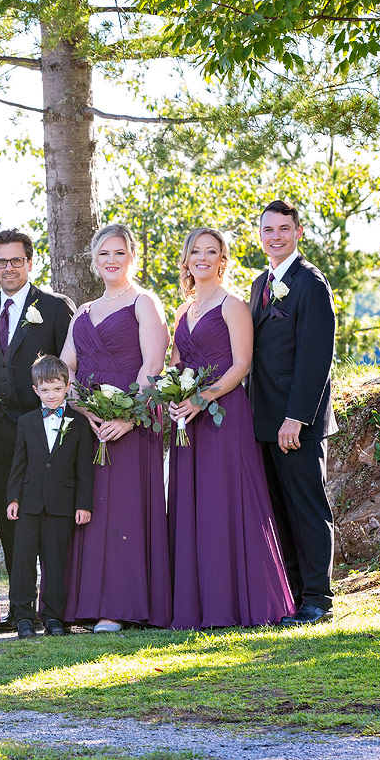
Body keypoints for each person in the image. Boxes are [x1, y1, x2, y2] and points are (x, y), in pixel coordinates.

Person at [167, 228, 295, 629]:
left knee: (226, 502)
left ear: (222, 260)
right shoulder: (182, 311)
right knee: (195, 504)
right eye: (195, 252)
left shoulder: (233, 305)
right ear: (186, 259)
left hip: (225, 415)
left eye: (212, 251)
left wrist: (204, 398)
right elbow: (176, 363)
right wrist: (173, 392)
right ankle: (201, 604)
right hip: (189, 417)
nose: (202, 257)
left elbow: (241, 365)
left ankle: (240, 602)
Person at [60, 223, 172, 632]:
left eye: (119, 253)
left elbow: (153, 365)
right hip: (92, 425)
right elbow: (66, 368)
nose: (111, 260)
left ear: (132, 257)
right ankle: (86, 603)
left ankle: (120, 606)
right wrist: (85, 410)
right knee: (92, 509)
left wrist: (127, 416)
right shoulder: (83, 313)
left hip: (133, 424)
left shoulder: (144, 302)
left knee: (123, 509)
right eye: (103, 254)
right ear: (94, 260)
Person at [0, 229, 75, 629]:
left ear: (31, 263)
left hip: (47, 433)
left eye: (17, 260)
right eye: (1, 261)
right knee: (10, 516)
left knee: (52, 519)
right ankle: (21, 610)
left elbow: (71, 367)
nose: (9, 268)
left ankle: (57, 609)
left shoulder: (54, 307)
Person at [247, 201, 338, 626]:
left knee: (307, 507)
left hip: (295, 422)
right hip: (262, 420)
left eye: (284, 228)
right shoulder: (259, 284)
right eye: (268, 229)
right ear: (259, 234)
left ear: (298, 232)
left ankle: (319, 597)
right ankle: (296, 596)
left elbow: (316, 359)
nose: (276, 236)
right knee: (279, 511)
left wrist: (296, 419)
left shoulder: (311, 283)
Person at [5, 355, 94, 638]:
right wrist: (13, 498)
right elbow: (18, 462)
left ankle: (53, 617)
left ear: (67, 387)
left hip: (62, 503)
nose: (51, 395)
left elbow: (84, 469)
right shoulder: (26, 422)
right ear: (36, 391)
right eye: (45, 390)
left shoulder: (78, 423)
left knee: (55, 562)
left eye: (56, 389)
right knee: (23, 560)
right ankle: (23, 617)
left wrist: (83, 504)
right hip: (29, 502)